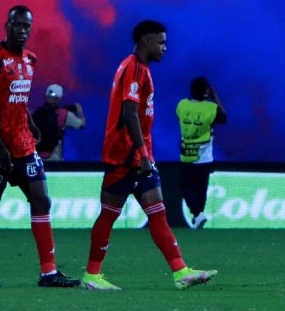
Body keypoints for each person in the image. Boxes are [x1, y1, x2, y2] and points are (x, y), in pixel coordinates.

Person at [81, 20, 215, 292]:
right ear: (146, 42)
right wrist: (141, 153)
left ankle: (180, 271)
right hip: (125, 155)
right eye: (161, 42)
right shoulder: (132, 69)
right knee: (109, 214)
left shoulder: (141, 69)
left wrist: (145, 154)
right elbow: (130, 114)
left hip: (140, 156)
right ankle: (91, 275)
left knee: (157, 213)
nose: (165, 47)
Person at [0, 6, 81, 289]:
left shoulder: (30, 60)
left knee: (41, 199)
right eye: (17, 25)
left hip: (23, 145)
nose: (22, 30)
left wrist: (29, 122)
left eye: (26, 26)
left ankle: (49, 272)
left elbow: (17, 99)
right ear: (7, 25)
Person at [176, 77, 228, 228]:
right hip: (204, 158)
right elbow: (224, 118)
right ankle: (199, 214)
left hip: (186, 155)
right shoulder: (211, 108)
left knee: (185, 186)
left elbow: (178, 115)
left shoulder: (182, 104)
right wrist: (215, 96)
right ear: (206, 91)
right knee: (200, 188)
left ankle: (198, 214)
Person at [31, 84, 85, 161]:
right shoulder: (64, 114)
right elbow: (81, 125)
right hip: (54, 158)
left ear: (46, 96)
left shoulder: (35, 113)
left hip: (35, 157)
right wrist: (80, 112)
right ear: (60, 98)